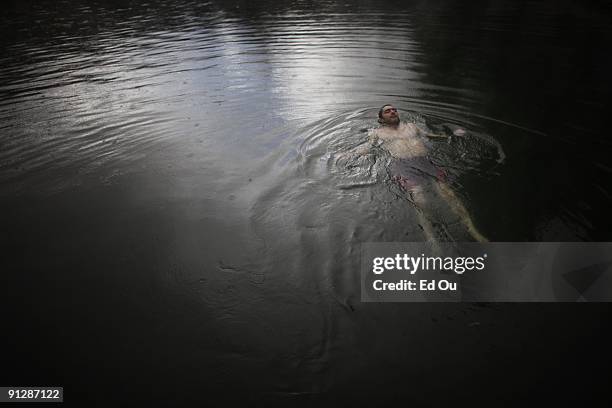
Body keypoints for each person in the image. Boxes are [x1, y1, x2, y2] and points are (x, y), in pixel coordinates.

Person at [341, 104, 487, 242]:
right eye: (388, 111)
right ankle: (432, 239)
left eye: (394, 110)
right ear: (381, 119)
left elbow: (430, 136)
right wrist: (350, 153)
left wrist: (451, 135)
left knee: (449, 195)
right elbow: (368, 147)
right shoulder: (377, 133)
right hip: (403, 166)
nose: (392, 112)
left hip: (425, 162)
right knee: (420, 200)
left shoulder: (411, 126)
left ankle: (473, 231)